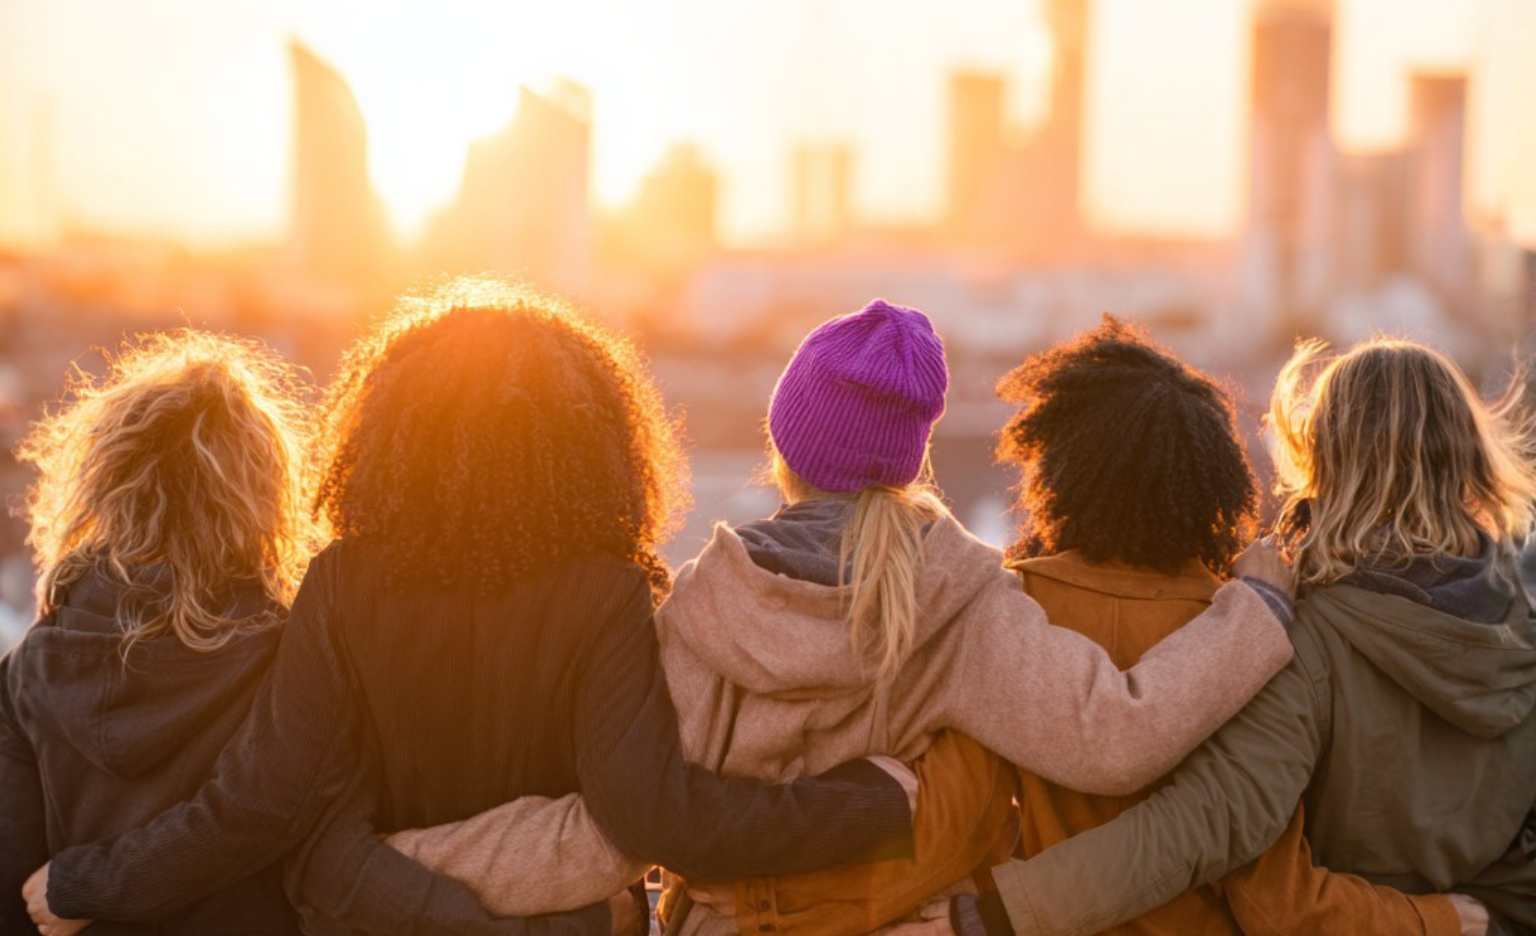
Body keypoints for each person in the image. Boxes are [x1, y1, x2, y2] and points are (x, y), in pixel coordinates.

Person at [356, 300, 1302, 936]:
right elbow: (1116, 733)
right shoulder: (957, 601)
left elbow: (605, 834)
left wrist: (390, 862)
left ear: (783, 441)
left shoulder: (703, 609)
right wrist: (1257, 606)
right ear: (908, 456)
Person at [24, 279, 923, 936]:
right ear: (591, 441)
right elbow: (656, 819)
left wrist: (84, 883)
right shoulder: (607, 593)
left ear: (386, 431)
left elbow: (265, 805)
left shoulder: (341, 582)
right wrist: (883, 805)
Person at [963, 337, 1535, 936]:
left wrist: (996, 915)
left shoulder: (1304, 641)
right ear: (1472, 461)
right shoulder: (1521, 630)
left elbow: (1209, 827)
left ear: (1325, 460)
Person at [0, 331, 316, 935]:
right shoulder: (291, 649)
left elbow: (12, 869)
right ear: (262, 495)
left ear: (106, 481)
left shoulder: (33, 664)